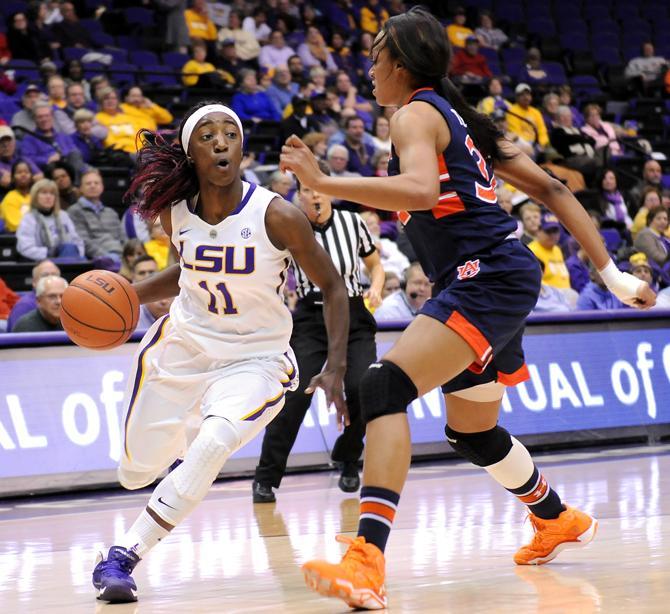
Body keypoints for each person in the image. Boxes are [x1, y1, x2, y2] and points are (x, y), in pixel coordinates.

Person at [279, 8, 654, 609]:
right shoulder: (458, 119)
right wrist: (608, 273)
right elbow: (554, 189)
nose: (368, 68)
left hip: (487, 280)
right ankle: (556, 518)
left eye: (374, 56)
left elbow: (422, 191)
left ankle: (367, 560)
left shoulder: (413, 115)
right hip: (498, 275)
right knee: (472, 429)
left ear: (399, 64)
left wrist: (327, 181)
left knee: (381, 389)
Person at [91, 102, 350, 603]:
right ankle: (183, 449)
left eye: (229, 133)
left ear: (241, 148)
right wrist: (126, 294)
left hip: (255, 357)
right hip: (183, 346)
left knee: (214, 444)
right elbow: (187, 272)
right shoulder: (176, 214)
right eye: (207, 134)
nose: (220, 141)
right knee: (134, 471)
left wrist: (335, 366)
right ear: (191, 154)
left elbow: (334, 286)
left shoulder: (277, 215)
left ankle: (123, 556)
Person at [253, 160, 384, 502]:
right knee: (295, 395)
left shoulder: (353, 222)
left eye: (319, 189)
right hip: (311, 317)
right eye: (307, 191)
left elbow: (375, 264)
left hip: (354, 313)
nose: (315, 196)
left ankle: (348, 457)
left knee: (362, 388)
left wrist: (378, 287)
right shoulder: (290, 228)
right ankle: (266, 477)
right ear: (297, 196)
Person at [16, 178, 84, 261]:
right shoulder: (28, 218)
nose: (48, 197)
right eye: (44, 193)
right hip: (42, 262)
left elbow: (78, 241)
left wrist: (76, 252)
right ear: (35, 196)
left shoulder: (63, 216)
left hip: (70, 257)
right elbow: (25, 248)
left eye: (52, 193)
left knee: (69, 248)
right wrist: (50, 252)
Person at [67, 168, 126, 262]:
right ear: (80, 188)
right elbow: (83, 241)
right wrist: (106, 257)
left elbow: (124, 238)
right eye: (88, 183)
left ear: (102, 187)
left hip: (121, 256)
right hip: (97, 260)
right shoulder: (74, 211)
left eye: (96, 183)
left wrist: (127, 255)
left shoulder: (111, 212)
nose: (93, 186)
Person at [6, 259, 60, 331]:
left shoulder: (67, 301)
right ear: (34, 282)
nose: (50, 279)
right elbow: (17, 338)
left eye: (54, 275)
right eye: (45, 275)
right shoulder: (24, 306)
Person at [528, 213, 571, 289]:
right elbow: (533, 281)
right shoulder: (531, 250)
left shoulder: (557, 249)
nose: (552, 235)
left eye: (555, 231)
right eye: (548, 231)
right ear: (538, 231)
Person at [0, 161, 34, 232]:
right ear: (12, 178)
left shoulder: (35, 197)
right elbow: (16, 225)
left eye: (26, 172)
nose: (23, 174)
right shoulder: (9, 198)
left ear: (31, 177)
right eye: (19, 172)